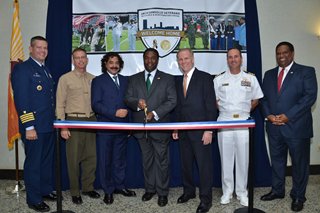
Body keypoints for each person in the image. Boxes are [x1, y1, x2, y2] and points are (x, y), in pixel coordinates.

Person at [260, 41, 317, 212]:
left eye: (285, 52)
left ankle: (298, 196)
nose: (281, 56)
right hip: (274, 127)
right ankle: (278, 191)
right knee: (277, 162)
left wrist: (288, 116)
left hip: (296, 128)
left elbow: (309, 97)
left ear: (292, 53)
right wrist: (269, 115)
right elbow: (263, 99)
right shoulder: (269, 74)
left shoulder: (306, 71)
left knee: (299, 164)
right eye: (278, 53)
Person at [125, 48, 177, 207]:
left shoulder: (167, 78)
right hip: (141, 130)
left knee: (162, 161)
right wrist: (137, 105)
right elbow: (127, 98)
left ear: (157, 60)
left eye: (153, 58)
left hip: (160, 127)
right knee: (146, 161)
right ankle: (150, 189)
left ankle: (162, 193)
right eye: (147, 58)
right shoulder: (134, 79)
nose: (149, 61)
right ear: (143, 59)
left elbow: (172, 100)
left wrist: (154, 113)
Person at [213, 48, 264, 207]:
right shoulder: (218, 79)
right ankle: (227, 191)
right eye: (230, 57)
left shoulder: (250, 78)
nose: (233, 60)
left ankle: (242, 192)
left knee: (243, 159)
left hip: (243, 122)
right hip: (225, 121)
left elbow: (256, 98)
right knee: (226, 159)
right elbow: (213, 101)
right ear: (227, 60)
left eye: (236, 57)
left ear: (241, 59)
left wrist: (246, 110)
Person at [11, 36, 56, 212]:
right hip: (34, 127)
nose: (43, 51)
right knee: (34, 164)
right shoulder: (23, 69)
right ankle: (34, 199)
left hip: (47, 125)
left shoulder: (45, 70)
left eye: (45, 48)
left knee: (45, 162)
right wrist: (29, 126)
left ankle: (44, 191)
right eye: (39, 48)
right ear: (30, 49)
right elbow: (22, 100)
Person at [172, 48, 217, 213]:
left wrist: (209, 130)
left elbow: (211, 107)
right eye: (180, 59)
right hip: (183, 131)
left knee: (204, 167)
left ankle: (206, 200)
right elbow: (178, 107)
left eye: (186, 58)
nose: (183, 62)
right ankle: (188, 192)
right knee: (186, 165)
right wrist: (175, 127)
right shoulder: (177, 81)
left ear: (193, 58)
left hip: (201, 132)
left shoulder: (205, 78)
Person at [56, 48, 100, 205]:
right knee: (73, 159)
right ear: (73, 61)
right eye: (77, 58)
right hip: (73, 121)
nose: (81, 60)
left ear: (87, 60)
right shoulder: (65, 79)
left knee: (91, 158)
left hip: (92, 120)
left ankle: (88, 187)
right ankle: (75, 191)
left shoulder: (94, 79)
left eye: (83, 57)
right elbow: (60, 104)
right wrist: (63, 126)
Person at [91, 52, 136, 205]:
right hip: (105, 127)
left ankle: (119, 186)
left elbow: (129, 103)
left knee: (120, 160)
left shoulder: (125, 80)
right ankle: (108, 191)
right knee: (105, 161)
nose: (114, 65)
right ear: (105, 64)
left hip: (122, 129)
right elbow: (95, 104)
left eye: (117, 62)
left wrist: (129, 125)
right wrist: (114, 113)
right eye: (111, 62)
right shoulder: (98, 81)